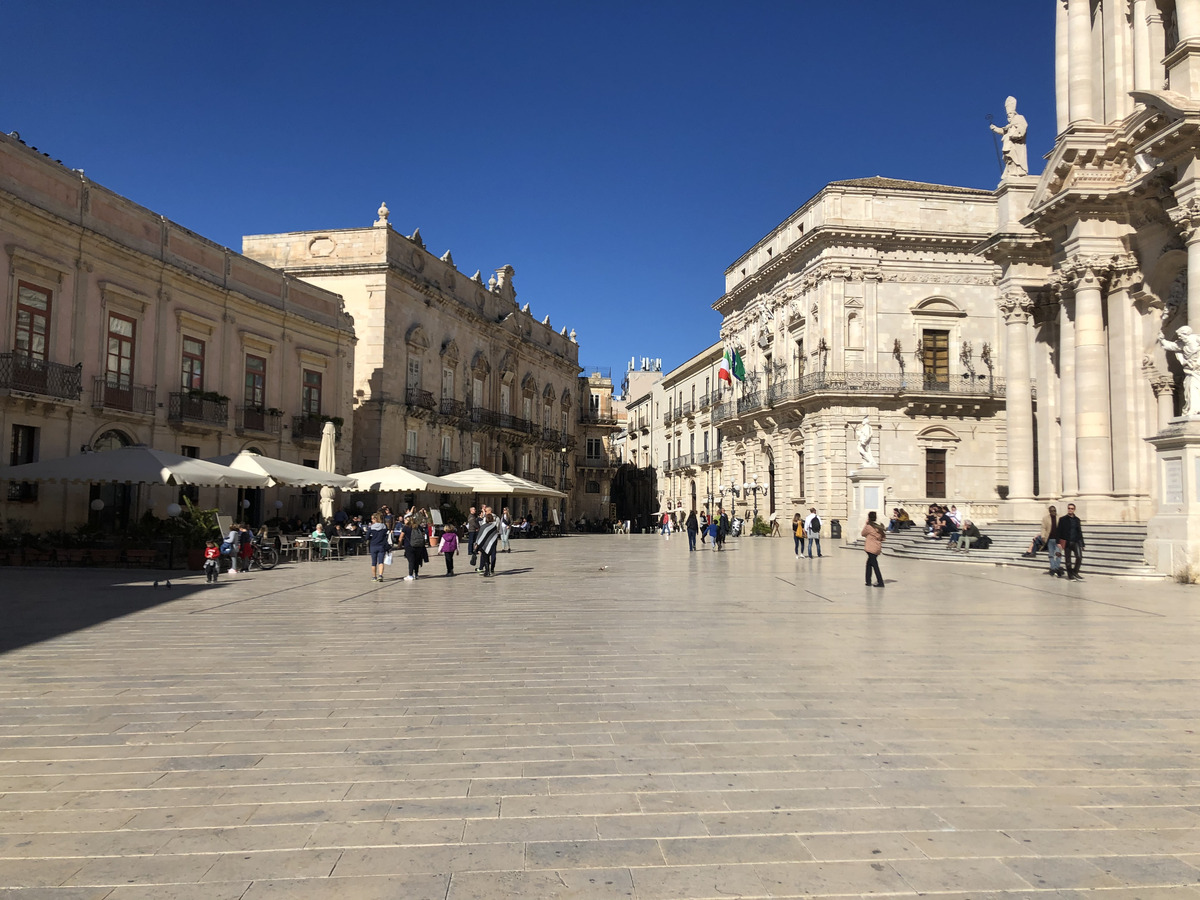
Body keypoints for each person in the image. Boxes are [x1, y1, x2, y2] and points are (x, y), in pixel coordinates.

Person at [989, 95, 1029, 178]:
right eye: (1007, 114)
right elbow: (1003, 131)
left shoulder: (1019, 118)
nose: (1009, 116)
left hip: (1016, 144)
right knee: (1008, 157)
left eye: (1010, 113)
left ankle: (1018, 171)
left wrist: (1015, 135)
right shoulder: (1009, 125)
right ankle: (1012, 171)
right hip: (1008, 144)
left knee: (1015, 157)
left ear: (1014, 113)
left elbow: (1023, 128)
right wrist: (995, 128)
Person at [1058, 502, 1085, 580]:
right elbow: (1059, 531)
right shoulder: (1062, 519)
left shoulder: (1077, 520)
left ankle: (1075, 572)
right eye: (1069, 508)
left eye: (1072, 509)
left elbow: (1079, 532)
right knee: (1068, 560)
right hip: (1066, 541)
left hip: (1075, 541)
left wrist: (1082, 544)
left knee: (1079, 557)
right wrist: (1058, 542)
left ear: (1074, 510)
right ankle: (1070, 576)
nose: (1070, 510)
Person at [861, 510, 885, 588]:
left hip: (870, 548)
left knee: (874, 565)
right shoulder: (879, 527)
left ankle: (880, 582)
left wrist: (866, 524)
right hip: (877, 547)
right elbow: (883, 538)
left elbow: (863, 534)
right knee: (869, 564)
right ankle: (868, 581)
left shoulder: (869, 527)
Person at [366, 513, 390, 582]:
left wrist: (371, 538)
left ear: (375, 519)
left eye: (372, 519)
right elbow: (386, 535)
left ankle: (374, 577)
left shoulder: (371, 527)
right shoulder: (384, 527)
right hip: (381, 545)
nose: (371, 520)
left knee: (374, 562)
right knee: (381, 561)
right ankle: (380, 575)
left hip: (373, 545)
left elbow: (367, 537)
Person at [1042, 505, 1063, 576]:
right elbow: (1043, 528)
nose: (1053, 512)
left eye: (1054, 510)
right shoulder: (1045, 518)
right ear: (1049, 511)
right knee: (1051, 555)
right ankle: (1053, 568)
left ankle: (1056, 567)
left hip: (1058, 539)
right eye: (1052, 511)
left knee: (1058, 554)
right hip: (1050, 539)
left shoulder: (1060, 518)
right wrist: (1043, 536)